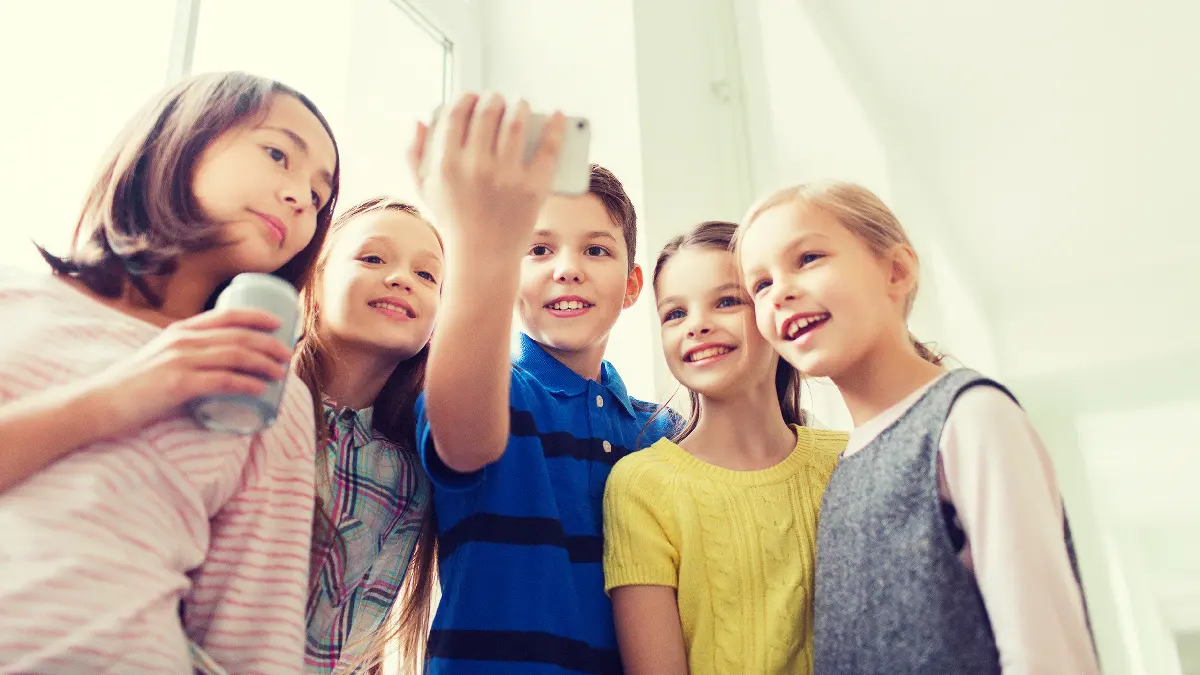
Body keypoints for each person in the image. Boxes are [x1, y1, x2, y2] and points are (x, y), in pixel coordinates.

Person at [0, 71, 339, 674]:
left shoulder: (262, 385)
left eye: (317, 197)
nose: (298, 198)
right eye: (278, 154)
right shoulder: (13, 301)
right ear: (181, 139)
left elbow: (254, 646)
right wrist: (123, 393)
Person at [734, 181, 1099, 675]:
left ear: (897, 270)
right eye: (760, 285)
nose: (781, 293)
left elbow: (1048, 655)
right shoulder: (843, 467)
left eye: (808, 258)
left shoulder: (972, 419)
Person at [407, 94, 680, 674]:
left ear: (632, 286)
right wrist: (482, 236)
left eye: (596, 249)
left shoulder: (666, 431)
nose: (567, 267)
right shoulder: (490, 388)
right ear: (508, 268)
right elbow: (462, 438)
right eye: (538, 248)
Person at [603, 220, 848, 675]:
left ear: (776, 311)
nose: (697, 325)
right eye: (675, 314)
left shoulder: (848, 461)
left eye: (727, 301)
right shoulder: (642, 486)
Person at [296, 197, 441, 674]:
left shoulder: (412, 470)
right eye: (373, 258)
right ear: (314, 280)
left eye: (427, 275)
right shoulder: (253, 405)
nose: (401, 278)